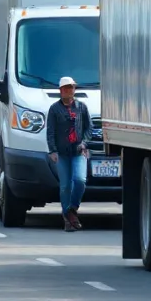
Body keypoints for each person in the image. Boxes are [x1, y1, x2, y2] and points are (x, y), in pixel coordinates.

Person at [46, 76, 91, 231]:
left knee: (80, 180)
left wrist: (84, 142)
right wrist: (52, 150)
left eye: (71, 87)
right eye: (65, 88)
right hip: (62, 153)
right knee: (65, 185)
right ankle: (67, 218)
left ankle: (72, 209)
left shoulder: (81, 107)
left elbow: (88, 128)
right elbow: (50, 131)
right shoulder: (54, 109)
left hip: (78, 151)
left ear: (74, 89)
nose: (68, 90)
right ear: (60, 91)